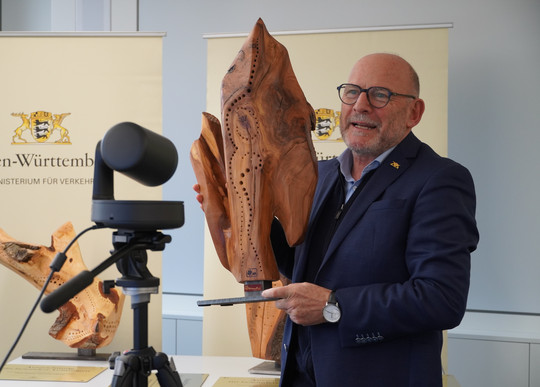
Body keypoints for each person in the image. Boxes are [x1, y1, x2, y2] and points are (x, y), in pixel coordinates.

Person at [196, 53, 478, 387]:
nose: (361, 105)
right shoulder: (320, 174)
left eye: (380, 95)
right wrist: (242, 214)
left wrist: (334, 305)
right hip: (301, 375)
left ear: (414, 113)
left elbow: (441, 299)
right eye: (352, 91)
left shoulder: (439, 179)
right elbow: (298, 261)